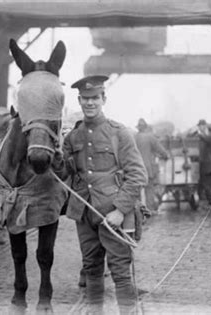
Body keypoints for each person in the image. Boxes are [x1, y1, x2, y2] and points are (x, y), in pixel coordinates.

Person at [62, 75, 147, 315]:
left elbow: (138, 175)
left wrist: (120, 210)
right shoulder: (73, 137)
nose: (90, 103)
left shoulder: (120, 133)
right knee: (91, 270)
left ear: (103, 99)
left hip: (113, 217)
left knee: (120, 271)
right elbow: (64, 172)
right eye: (85, 99)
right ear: (79, 100)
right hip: (84, 214)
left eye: (94, 98)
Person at [134, 118, 168, 212]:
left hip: (136, 169)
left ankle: (139, 211)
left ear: (138, 128)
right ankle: (150, 210)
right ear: (146, 127)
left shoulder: (134, 138)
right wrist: (166, 155)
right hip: (148, 169)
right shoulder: (150, 137)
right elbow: (160, 150)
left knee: (137, 192)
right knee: (149, 190)